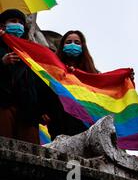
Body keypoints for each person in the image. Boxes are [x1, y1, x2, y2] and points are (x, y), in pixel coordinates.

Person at [0, 9, 51, 144]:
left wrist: (43, 109)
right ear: (2, 26)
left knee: (30, 148)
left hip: (28, 111)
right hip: (4, 105)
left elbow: (39, 82)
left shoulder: (30, 51)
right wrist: (2, 62)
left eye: (20, 23)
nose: (18, 25)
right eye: (13, 21)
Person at [44, 30, 99, 139]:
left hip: (83, 119)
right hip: (58, 117)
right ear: (62, 45)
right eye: (69, 42)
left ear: (82, 47)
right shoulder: (52, 67)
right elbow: (44, 88)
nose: (72, 45)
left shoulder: (92, 72)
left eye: (77, 42)